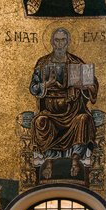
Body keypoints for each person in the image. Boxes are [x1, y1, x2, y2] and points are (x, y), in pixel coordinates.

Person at [29, 27, 98, 180]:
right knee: (41, 122)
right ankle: (48, 161)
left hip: (73, 111)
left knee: (83, 119)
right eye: (57, 40)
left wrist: (85, 86)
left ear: (68, 42)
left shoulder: (76, 63)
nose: (60, 44)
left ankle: (75, 159)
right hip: (50, 112)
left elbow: (92, 85)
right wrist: (46, 84)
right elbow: (33, 88)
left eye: (63, 40)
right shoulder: (42, 63)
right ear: (51, 42)